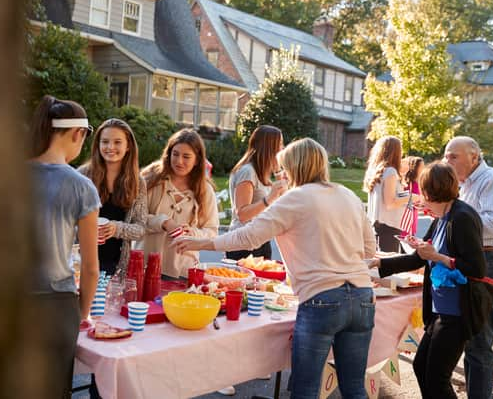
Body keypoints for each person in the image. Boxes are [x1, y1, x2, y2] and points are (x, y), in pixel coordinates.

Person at [174, 138, 376, 399]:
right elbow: (370, 249)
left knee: (305, 389)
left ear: (294, 167)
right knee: (354, 388)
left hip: (321, 298)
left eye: (284, 168)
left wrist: (201, 242)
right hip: (362, 296)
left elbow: (247, 237)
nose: (281, 174)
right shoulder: (347, 195)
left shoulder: (295, 198)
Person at [369, 162, 490, 398]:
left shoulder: (462, 217)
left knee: (437, 378)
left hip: (457, 313)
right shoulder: (441, 218)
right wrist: (380, 263)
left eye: (422, 192)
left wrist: (437, 256)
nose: (419, 198)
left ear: (429, 191)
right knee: (421, 367)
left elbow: (477, 268)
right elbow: (418, 259)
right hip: (439, 311)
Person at [28, 95, 100, 398]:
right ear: (77, 134)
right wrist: (83, 313)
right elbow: (90, 266)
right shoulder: (81, 186)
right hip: (55, 306)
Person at [444, 136, 493, 398]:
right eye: (446, 156)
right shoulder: (465, 186)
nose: (447, 161)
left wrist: (455, 222)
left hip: (491, 259)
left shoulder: (492, 179)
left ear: (474, 157)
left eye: (453, 156)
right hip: (474, 259)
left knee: (479, 339)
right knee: (469, 336)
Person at [140, 128, 218, 278]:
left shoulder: (205, 190)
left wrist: (193, 233)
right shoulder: (150, 180)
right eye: (175, 154)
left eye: (186, 156)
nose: (179, 161)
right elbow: (135, 218)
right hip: (145, 266)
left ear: (197, 160)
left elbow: (212, 231)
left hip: (183, 271)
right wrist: (163, 222)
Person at [79, 119, 147, 277]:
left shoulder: (138, 182)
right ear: (98, 145)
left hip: (117, 267)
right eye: (105, 142)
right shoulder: (82, 176)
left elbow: (141, 228)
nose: (110, 147)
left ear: (128, 146)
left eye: (117, 142)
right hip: (82, 262)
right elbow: (67, 222)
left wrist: (116, 228)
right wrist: (86, 228)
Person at [226, 125, 287, 260]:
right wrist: (269, 198)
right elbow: (242, 214)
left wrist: (278, 173)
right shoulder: (248, 172)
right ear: (269, 147)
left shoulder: (262, 173)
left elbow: (283, 200)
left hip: (260, 240)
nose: (283, 148)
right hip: (243, 244)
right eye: (280, 144)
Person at [364, 136, 419, 252]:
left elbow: (387, 197)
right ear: (395, 152)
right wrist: (410, 197)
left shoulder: (376, 171)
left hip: (377, 225)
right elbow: (390, 203)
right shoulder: (390, 171)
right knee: (387, 266)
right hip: (388, 227)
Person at [404, 156, 425, 236]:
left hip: (414, 214)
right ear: (415, 167)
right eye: (421, 166)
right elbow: (402, 197)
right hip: (407, 214)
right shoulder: (408, 183)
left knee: (411, 235)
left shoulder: (420, 182)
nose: (423, 168)